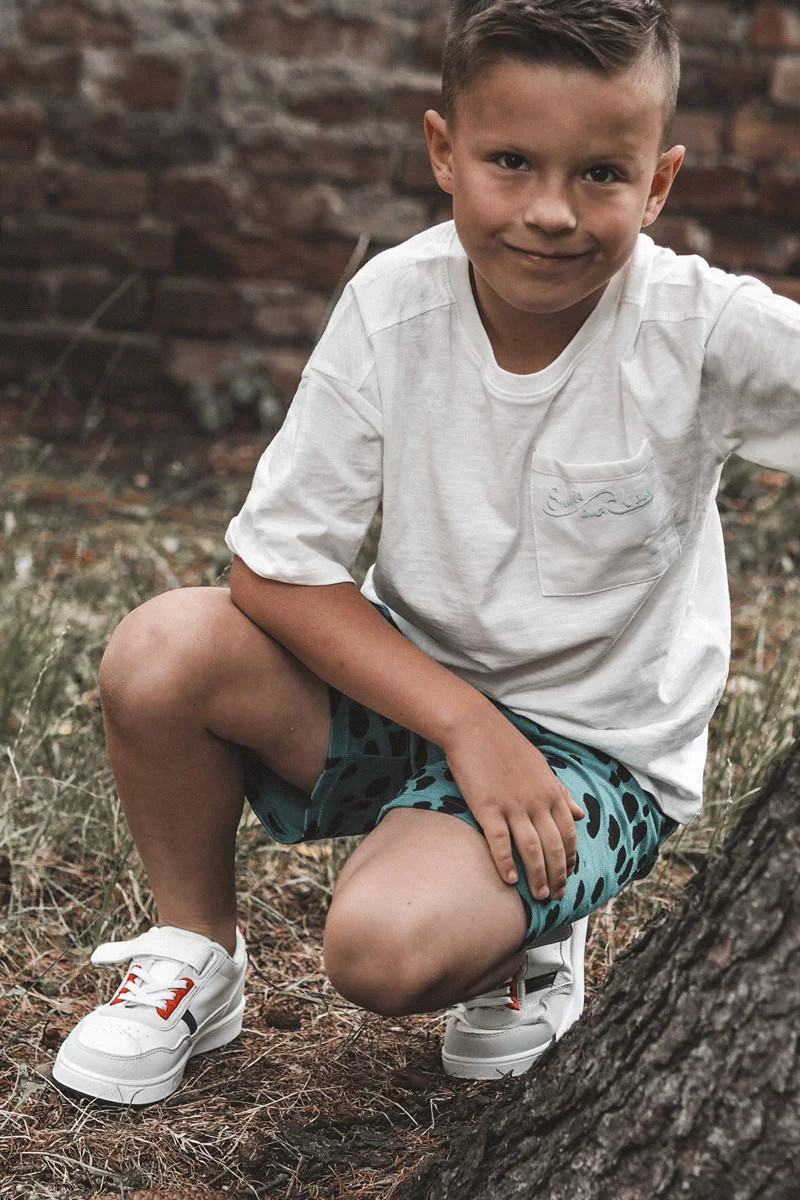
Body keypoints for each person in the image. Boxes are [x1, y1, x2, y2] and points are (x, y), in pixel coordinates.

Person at [52, 0, 800, 1106]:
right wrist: (463, 723)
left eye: (601, 173)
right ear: (444, 152)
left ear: (658, 183)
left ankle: (534, 927)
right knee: (163, 649)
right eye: (510, 161)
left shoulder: (699, 328)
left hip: (593, 757)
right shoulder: (394, 306)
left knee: (379, 950)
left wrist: (499, 743)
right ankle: (196, 952)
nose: (551, 211)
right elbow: (275, 568)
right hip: (416, 699)